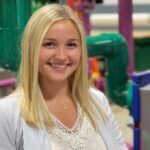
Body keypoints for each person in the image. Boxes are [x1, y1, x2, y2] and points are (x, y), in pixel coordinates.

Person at [0, 4, 127, 150]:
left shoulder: (98, 101)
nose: (61, 56)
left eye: (71, 45)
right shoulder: (6, 113)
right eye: (49, 44)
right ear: (31, 48)